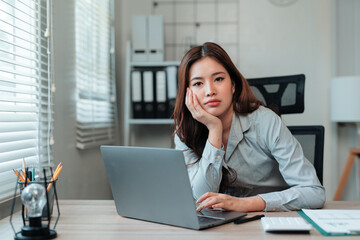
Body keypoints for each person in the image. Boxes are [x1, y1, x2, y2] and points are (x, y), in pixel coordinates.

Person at [173, 42, 325, 212]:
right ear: (187, 93)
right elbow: (201, 198)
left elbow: (314, 192)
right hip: (222, 225)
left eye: (218, 79)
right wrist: (214, 130)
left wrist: (245, 204)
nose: (210, 91)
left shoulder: (265, 121)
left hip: (272, 219)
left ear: (233, 85)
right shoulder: (184, 132)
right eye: (198, 83)